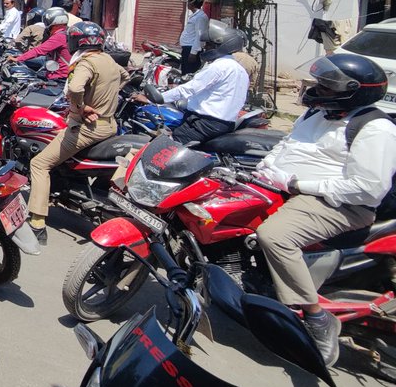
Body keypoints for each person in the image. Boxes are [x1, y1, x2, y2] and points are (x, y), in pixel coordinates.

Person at [254, 53, 396, 366]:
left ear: (354, 90)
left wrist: (297, 184)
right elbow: (286, 145)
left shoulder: (375, 128)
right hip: (287, 187)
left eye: (327, 86)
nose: (319, 89)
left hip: (340, 204)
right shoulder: (315, 113)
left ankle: (317, 318)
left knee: (274, 236)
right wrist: (265, 168)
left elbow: (367, 187)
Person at [27, 23, 127, 244]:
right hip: (109, 125)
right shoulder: (109, 60)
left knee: (39, 164)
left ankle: (36, 223)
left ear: (77, 42)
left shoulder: (86, 63)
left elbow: (74, 88)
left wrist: (81, 107)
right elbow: (125, 76)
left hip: (87, 128)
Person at [137, 20, 249, 145]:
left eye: (209, 45)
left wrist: (154, 99)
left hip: (204, 124)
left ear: (221, 46)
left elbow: (189, 89)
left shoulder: (218, 67)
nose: (204, 47)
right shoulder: (239, 69)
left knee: (164, 149)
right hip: (223, 124)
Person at [15, 7, 72, 80]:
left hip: (59, 75)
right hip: (59, 71)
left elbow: (39, 50)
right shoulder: (65, 33)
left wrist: (18, 59)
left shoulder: (59, 36)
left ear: (55, 22)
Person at [178, 0, 209, 76]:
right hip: (187, 48)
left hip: (191, 49)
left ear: (192, 4)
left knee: (189, 75)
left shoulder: (200, 17)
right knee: (184, 73)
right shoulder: (195, 15)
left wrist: (193, 53)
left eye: (189, 2)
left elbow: (199, 35)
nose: (187, 4)